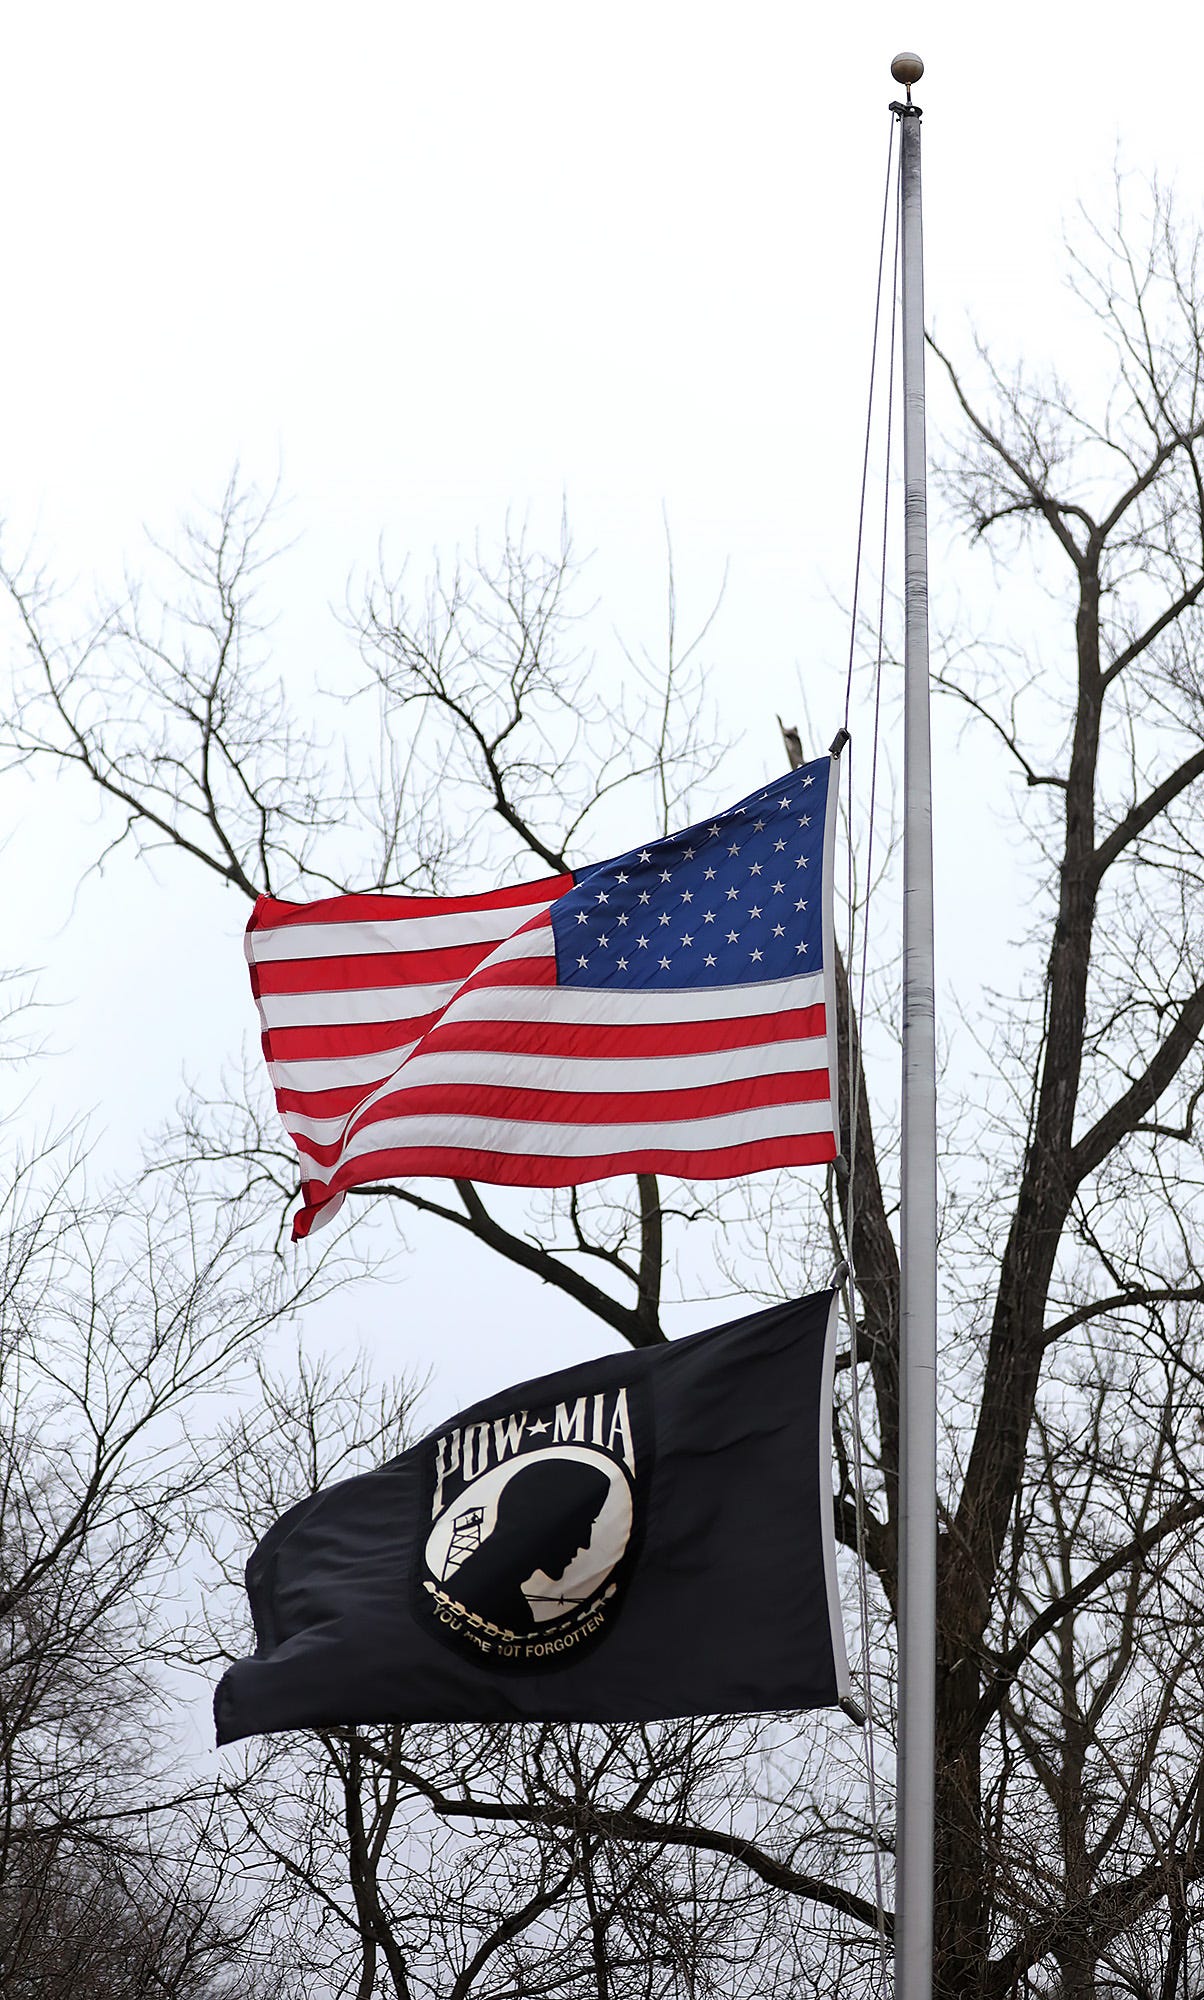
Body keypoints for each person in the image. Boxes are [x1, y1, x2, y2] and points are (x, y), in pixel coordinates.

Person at [446, 1457, 610, 1635]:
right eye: (582, 1525)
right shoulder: (488, 1604)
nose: (585, 1543)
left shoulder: (495, 1599)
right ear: (542, 1522)